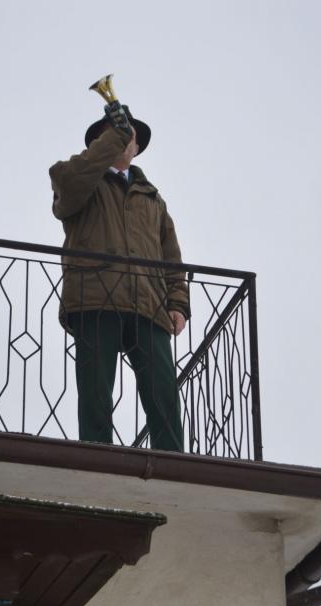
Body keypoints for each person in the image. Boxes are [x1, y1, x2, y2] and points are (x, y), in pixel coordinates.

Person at [49, 101, 190, 451]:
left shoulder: (153, 199)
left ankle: (173, 461)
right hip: (95, 298)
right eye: (116, 134)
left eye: (130, 136)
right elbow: (66, 186)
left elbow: (171, 257)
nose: (125, 139)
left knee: (163, 392)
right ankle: (97, 456)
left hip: (149, 305)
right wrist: (113, 136)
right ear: (101, 141)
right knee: (96, 392)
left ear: (137, 147)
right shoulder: (79, 180)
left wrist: (178, 303)